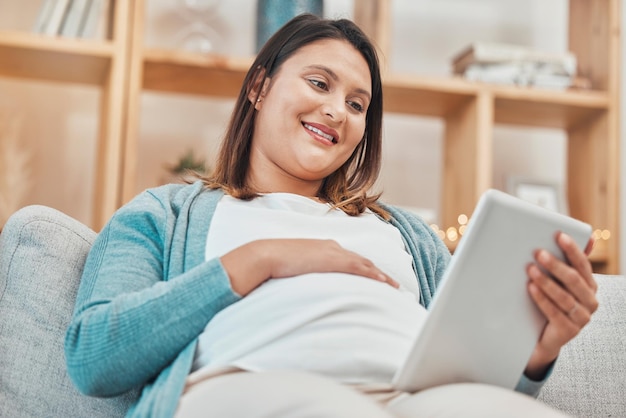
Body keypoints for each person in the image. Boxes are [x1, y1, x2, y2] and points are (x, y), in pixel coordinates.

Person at [64, 14, 598, 418]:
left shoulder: (406, 234)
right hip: (256, 384)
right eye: (320, 84)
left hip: (417, 400)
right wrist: (261, 259)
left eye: (358, 104)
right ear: (259, 86)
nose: (337, 111)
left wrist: (537, 351)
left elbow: (472, 375)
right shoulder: (165, 213)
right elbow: (93, 354)